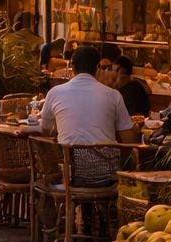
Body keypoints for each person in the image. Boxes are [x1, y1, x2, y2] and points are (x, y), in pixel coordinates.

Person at [39, 45, 139, 185]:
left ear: (72, 68)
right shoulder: (114, 95)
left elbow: (44, 131)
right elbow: (129, 140)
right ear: (97, 68)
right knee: (132, 155)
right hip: (108, 176)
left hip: (71, 177)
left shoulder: (55, 93)